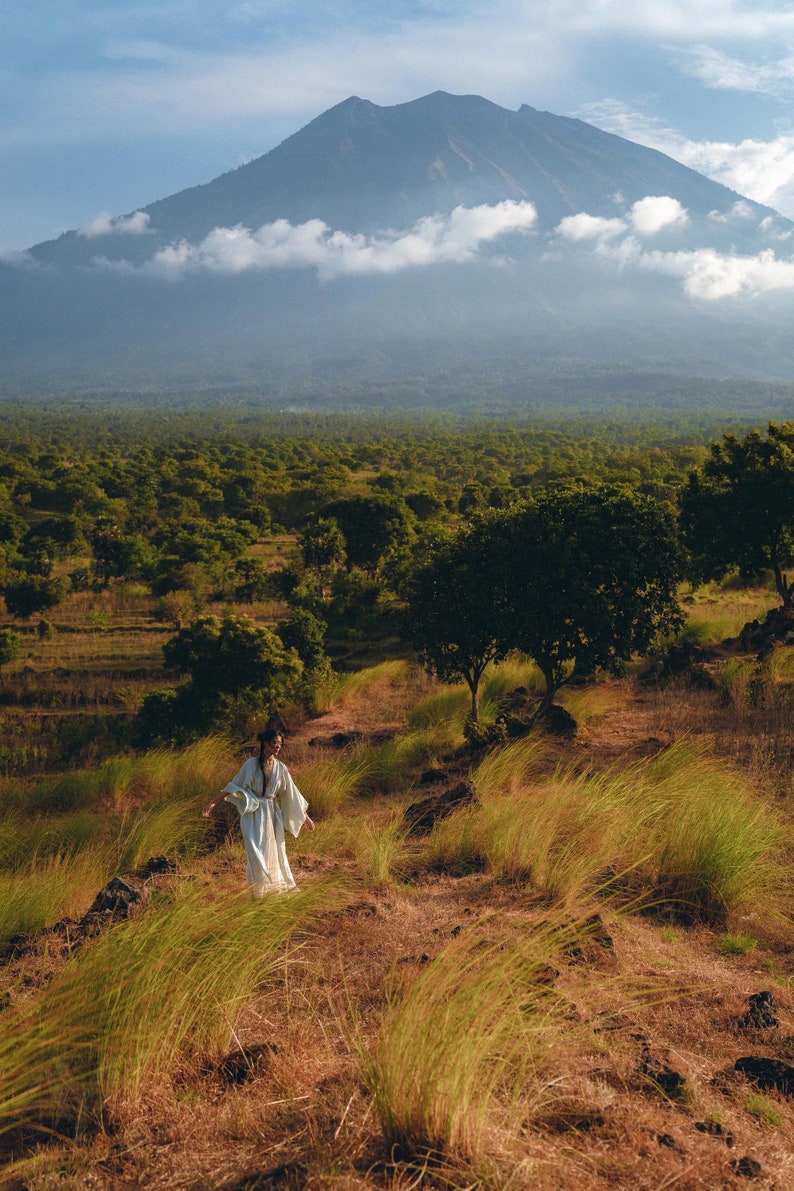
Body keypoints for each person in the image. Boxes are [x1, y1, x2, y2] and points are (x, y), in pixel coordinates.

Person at [202, 729, 315, 895]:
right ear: (265, 743)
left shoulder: (281, 768)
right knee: (255, 850)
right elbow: (234, 785)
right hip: (253, 813)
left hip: (272, 812)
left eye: (280, 744)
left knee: (275, 850)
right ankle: (258, 891)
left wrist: (306, 818)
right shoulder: (250, 765)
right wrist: (212, 803)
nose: (277, 746)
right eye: (274, 743)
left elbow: (291, 794)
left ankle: (274, 890)